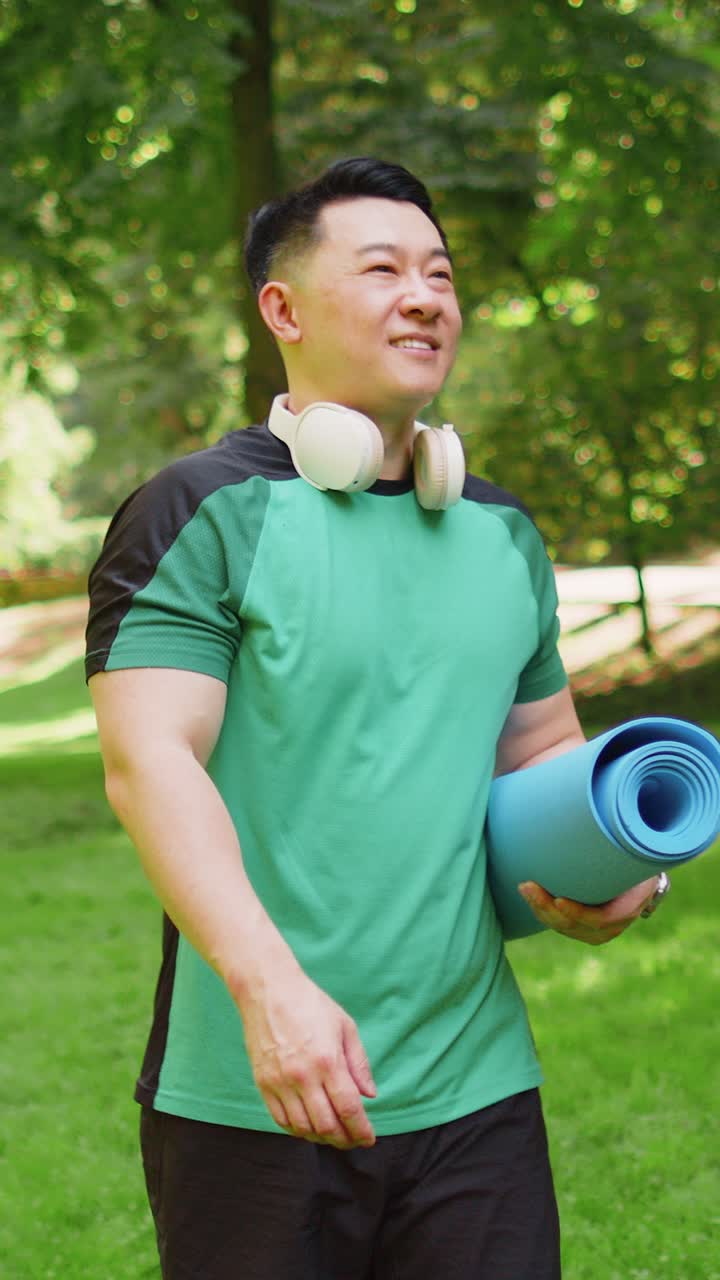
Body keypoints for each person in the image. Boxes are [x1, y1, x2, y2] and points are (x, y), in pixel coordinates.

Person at [86, 156, 662, 1280]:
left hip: (478, 1086)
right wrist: (273, 991)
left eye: (440, 273)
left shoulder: (502, 534)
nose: (426, 295)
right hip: (257, 1083)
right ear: (284, 308)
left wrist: (615, 873)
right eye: (385, 268)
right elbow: (149, 759)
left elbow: (548, 749)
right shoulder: (198, 511)